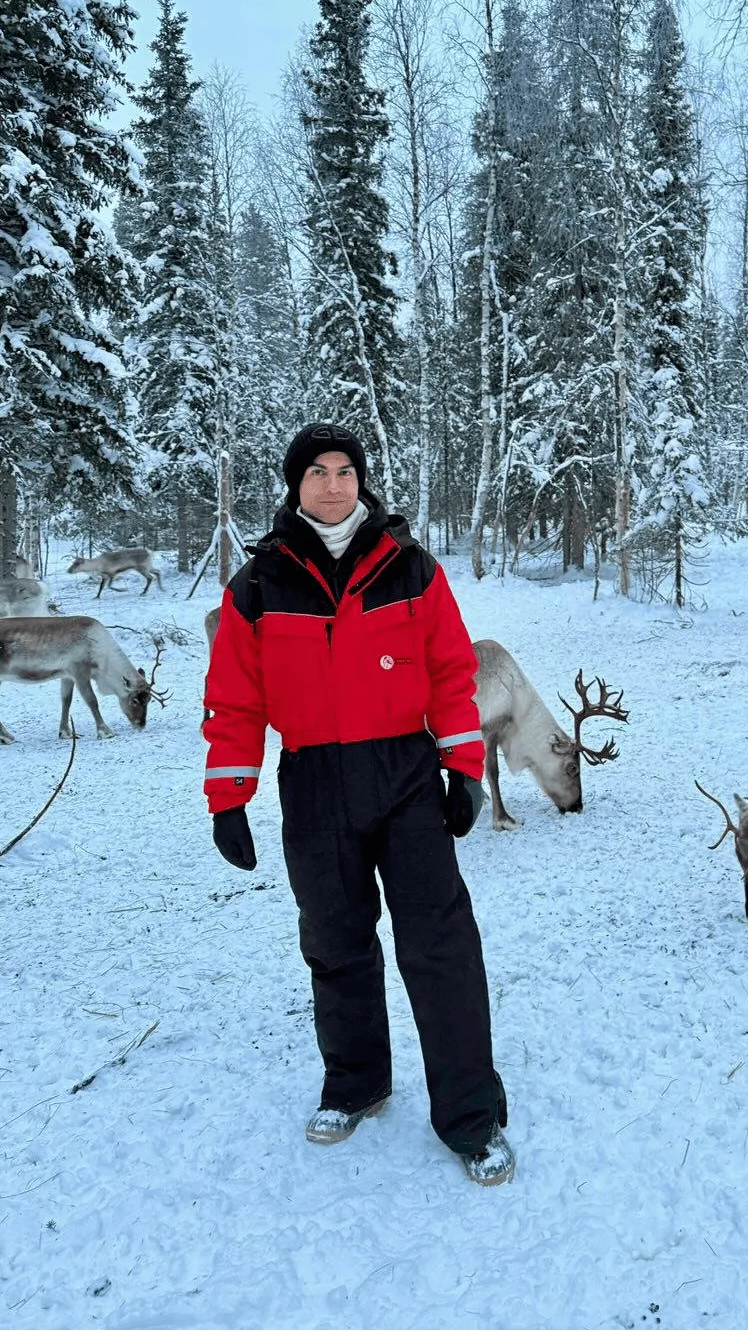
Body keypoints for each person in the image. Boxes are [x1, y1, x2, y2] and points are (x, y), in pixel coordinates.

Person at [202, 423, 514, 1186]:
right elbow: (235, 698)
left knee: (439, 946)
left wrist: (464, 767)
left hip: (404, 774)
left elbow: (450, 672)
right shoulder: (257, 585)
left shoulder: (411, 569)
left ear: (362, 482)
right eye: (317, 472)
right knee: (335, 941)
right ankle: (357, 1081)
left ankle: (471, 1114)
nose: (334, 484)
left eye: (346, 470)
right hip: (312, 781)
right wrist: (228, 794)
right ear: (295, 485)